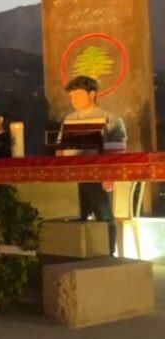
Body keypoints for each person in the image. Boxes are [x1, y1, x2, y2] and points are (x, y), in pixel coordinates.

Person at [62, 76, 127, 255]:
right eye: (71, 96)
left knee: (104, 215)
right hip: (74, 176)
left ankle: (108, 253)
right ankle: (82, 253)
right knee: (77, 217)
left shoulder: (109, 118)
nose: (74, 99)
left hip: (99, 176)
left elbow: (117, 151)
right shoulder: (69, 119)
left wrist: (110, 176)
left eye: (78, 94)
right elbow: (62, 149)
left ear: (92, 94)